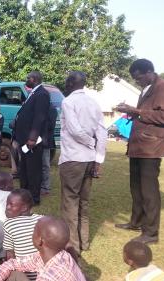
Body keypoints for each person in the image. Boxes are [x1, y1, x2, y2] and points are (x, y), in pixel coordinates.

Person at [115, 59, 164, 244]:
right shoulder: (149, 88)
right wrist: (132, 112)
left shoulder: (163, 87)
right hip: (139, 146)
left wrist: (136, 110)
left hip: (152, 148)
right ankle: (136, 222)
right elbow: (147, 112)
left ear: (149, 71)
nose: (138, 82)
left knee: (149, 191)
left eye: (139, 78)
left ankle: (151, 233)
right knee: (136, 188)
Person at [58, 71, 107, 255]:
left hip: (73, 159)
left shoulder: (68, 101)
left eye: (66, 80)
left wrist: (90, 142)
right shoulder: (93, 103)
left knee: (70, 202)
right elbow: (102, 132)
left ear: (71, 82)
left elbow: (74, 130)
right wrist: (98, 158)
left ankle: (72, 246)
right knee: (83, 203)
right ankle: (84, 242)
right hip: (88, 160)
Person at [0, 216, 85, 281]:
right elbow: (12, 263)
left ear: (40, 241)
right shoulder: (61, 255)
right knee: (15, 274)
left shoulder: (49, 277)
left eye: (34, 230)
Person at [13, 71, 50, 205]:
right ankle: (25, 194)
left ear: (33, 79)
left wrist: (33, 138)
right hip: (24, 140)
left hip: (32, 141)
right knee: (25, 168)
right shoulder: (33, 93)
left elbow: (39, 118)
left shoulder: (42, 94)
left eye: (28, 78)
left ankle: (34, 198)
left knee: (34, 169)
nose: (26, 80)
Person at [2, 189, 43, 281]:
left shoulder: (9, 223)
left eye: (11, 205)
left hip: (25, 275)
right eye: (7, 204)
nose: (7, 207)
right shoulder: (41, 219)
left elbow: (10, 255)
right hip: (45, 272)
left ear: (24, 208)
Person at [41, 104, 57, 195]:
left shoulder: (51, 109)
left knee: (45, 165)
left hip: (45, 141)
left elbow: (50, 125)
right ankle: (41, 184)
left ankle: (46, 187)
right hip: (39, 141)